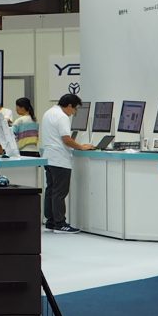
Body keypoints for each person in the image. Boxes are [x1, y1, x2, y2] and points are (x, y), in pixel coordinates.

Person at [39, 94, 91, 232]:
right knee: (59, 192)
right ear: (69, 106)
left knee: (51, 190)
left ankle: (50, 221)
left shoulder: (48, 112)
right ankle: (60, 223)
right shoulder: (62, 116)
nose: (74, 113)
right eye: (74, 109)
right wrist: (81, 147)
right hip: (60, 159)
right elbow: (66, 139)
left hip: (49, 158)